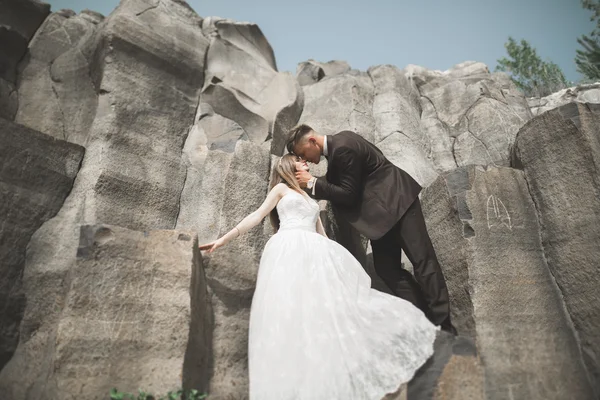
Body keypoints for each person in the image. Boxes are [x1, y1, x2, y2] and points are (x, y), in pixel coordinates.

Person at [199, 154, 438, 400]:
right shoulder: (281, 188)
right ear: (289, 166)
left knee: (328, 308)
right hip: (289, 246)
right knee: (292, 309)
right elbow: (257, 215)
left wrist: (337, 261)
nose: (306, 163)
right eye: (301, 161)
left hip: (315, 249)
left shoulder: (309, 195)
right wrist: (223, 239)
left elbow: (321, 233)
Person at [287, 124, 456, 335]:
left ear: (312, 141)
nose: (308, 159)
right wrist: (310, 183)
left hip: (398, 202)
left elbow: (348, 193)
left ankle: (444, 326)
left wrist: (312, 182)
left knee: (423, 262)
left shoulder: (343, 147)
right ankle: (425, 320)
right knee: (386, 268)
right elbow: (343, 183)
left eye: (304, 153)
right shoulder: (340, 144)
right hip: (382, 215)